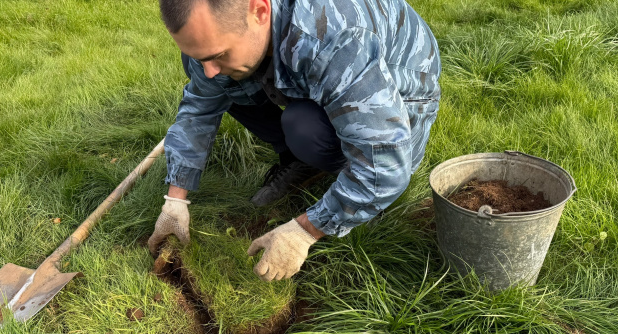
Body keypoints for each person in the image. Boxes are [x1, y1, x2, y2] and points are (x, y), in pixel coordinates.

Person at [148, 0, 441, 281]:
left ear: (260, 11)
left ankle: (327, 159)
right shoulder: (220, 41)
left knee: (306, 127)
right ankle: (299, 159)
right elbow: (199, 107)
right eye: (203, 57)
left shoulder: (332, 39)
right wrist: (175, 199)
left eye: (219, 54)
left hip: (400, 83)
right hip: (307, 58)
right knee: (221, 80)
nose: (209, 69)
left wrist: (306, 230)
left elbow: (386, 168)